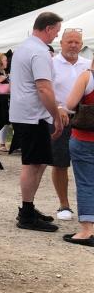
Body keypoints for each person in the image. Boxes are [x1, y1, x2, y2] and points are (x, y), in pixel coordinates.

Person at [9, 11, 67, 232]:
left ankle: (28, 207)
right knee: (33, 164)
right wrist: (56, 115)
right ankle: (26, 214)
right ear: (49, 28)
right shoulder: (39, 52)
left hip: (26, 113)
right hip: (33, 115)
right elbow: (43, 87)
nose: (55, 36)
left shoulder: (24, 47)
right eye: (56, 32)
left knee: (38, 161)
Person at [50, 29, 90, 220]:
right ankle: (64, 205)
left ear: (81, 44)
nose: (73, 45)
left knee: (88, 165)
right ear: (61, 43)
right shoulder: (51, 64)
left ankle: (88, 206)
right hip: (60, 118)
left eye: (77, 42)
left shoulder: (88, 65)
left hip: (86, 120)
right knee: (60, 163)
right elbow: (44, 90)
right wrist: (58, 108)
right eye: (70, 41)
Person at [63, 65, 94, 246]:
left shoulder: (87, 77)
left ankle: (87, 230)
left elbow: (70, 104)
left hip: (85, 137)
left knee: (86, 183)